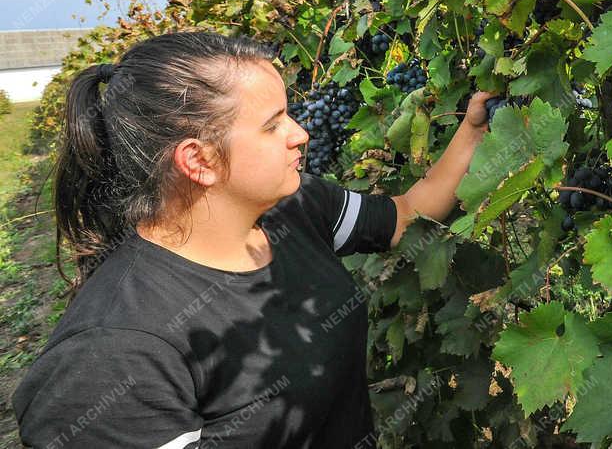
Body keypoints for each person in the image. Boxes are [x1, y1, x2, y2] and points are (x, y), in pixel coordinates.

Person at [13, 30, 494, 448]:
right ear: (198, 161)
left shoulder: (297, 208)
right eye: (273, 124)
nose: (301, 133)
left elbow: (407, 213)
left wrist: (473, 130)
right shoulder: (114, 355)